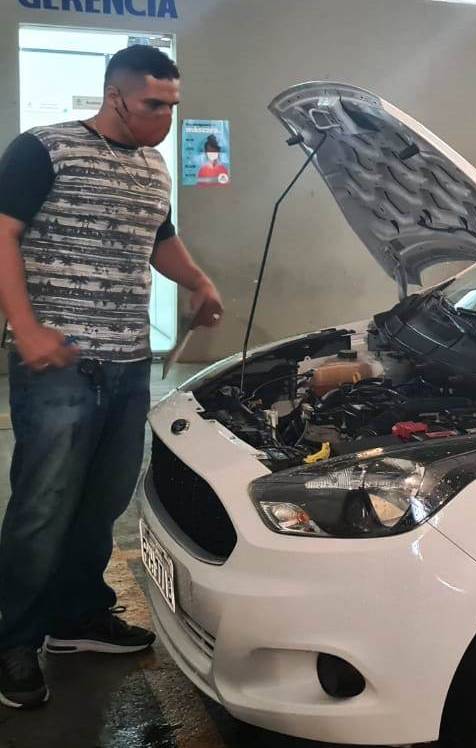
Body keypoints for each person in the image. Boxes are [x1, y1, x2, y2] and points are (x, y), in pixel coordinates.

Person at [0, 45, 224, 709]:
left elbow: (159, 239)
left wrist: (199, 280)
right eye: (153, 104)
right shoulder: (43, 149)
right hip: (59, 364)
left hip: (129, 363)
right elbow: (3, 234)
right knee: (43, 505)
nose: (164, 118)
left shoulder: (154, 168)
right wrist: (26, 328)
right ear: (115, 95)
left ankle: (76, 618)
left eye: (172, 106)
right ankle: (13, 639)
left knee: (102, 501)